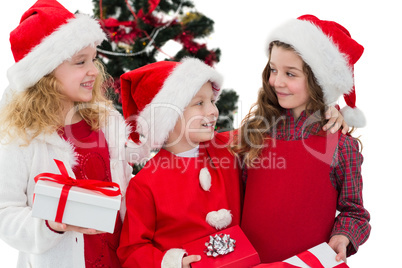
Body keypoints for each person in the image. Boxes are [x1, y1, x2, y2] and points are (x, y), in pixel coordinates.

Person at [0, 0, 133, 267]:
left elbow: (126, 188)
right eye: (80, 62)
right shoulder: (19, 137)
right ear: (44, 73)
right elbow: (6, 213)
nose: (94, 71)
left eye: (93, 59)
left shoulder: (106, 123)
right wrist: (52, 223)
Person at [232, 15, 371, 264]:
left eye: (291, 74)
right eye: (273, 70)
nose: (277, 82)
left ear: (320, 82)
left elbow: (355, 212)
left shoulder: (340, 145)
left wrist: (343, 236)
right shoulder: (255, 132)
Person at [116, 58, 243, 268]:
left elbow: (270, 132)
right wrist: (174, 262)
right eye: (199, 103)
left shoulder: (228, 148)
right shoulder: (146, 184)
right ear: (169, 117)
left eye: (213, 101)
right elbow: (132, 250)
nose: (213, 111)